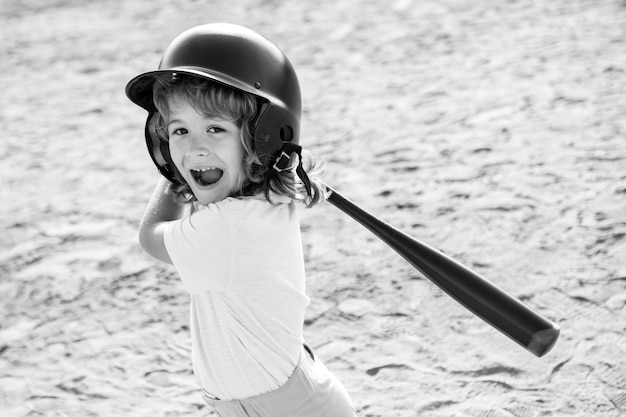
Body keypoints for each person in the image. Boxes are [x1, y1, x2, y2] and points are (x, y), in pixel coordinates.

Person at [125, 23, 357, 417]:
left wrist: (172, 174)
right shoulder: (262, 194)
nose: (193, 146)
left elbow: (151, 237)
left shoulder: (228, 227)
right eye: (178, 130)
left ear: (261, 138)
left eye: (215, 128)